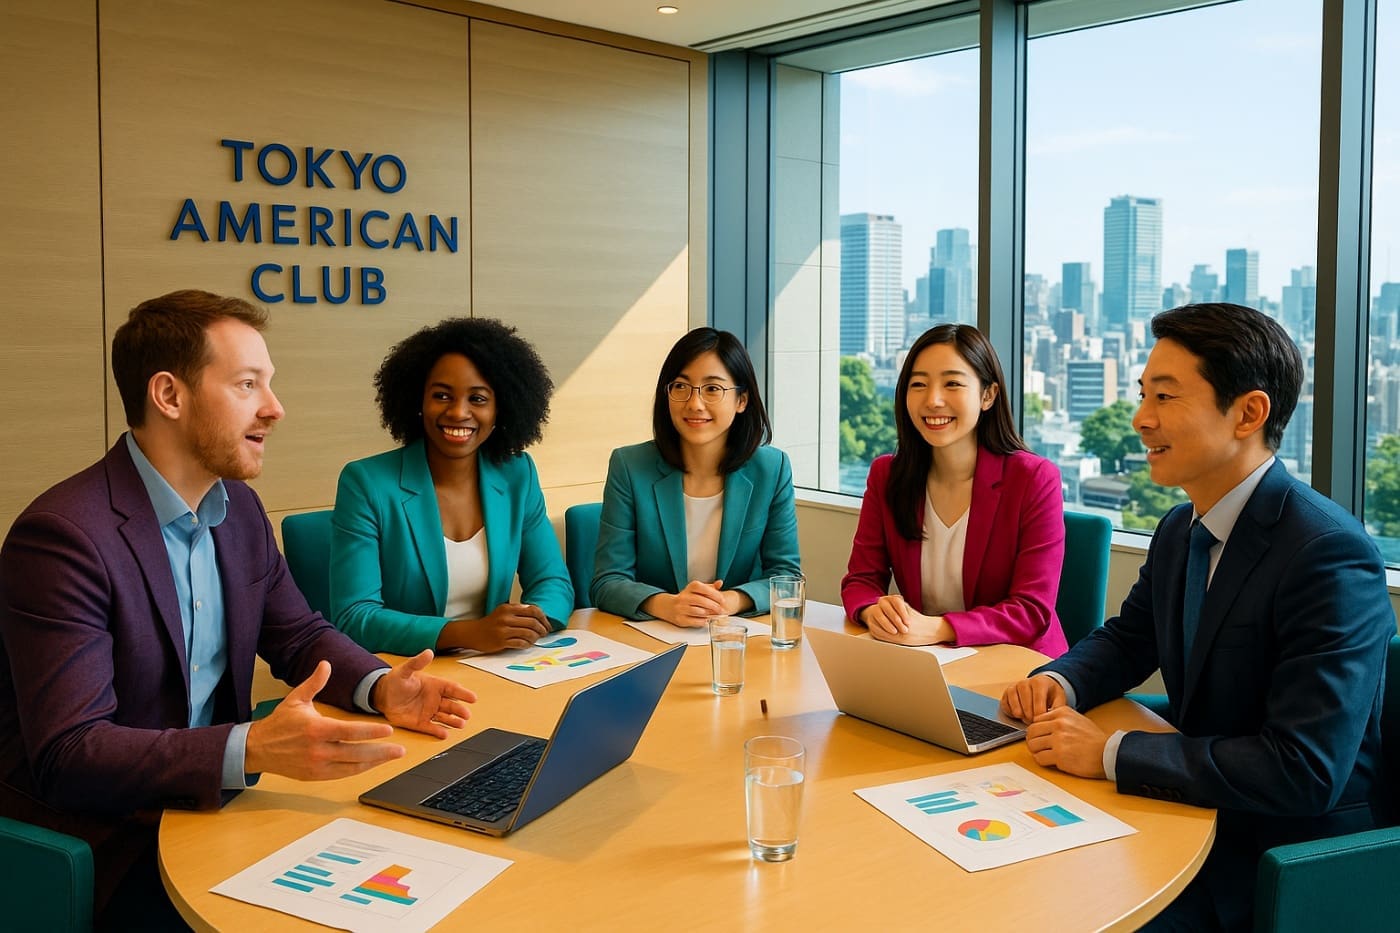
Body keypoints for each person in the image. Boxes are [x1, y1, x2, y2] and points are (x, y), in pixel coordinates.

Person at [0, 290, 477, 928]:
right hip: (106, 845)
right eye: (247, 384)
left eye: (268, 384)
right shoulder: (63, 538)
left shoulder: (240, 510)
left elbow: (297, 633)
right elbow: (72, 753)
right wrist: (249, 745)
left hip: (214, 813)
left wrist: (379, 685)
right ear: (168, 396)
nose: (274, 409)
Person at [999, 302, 1393, 931]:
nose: (1140, 418)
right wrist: (1061, 680)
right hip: (1183, 813)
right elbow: (1130, 639)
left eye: (1165, 396)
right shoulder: (1183, 527)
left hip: (1274, 862)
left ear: (1249, 413)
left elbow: (1304, 770)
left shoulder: (1327, 554)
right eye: (1141, 393)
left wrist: (1111, 752)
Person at [331, 317, 572, 656]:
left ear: (501, 407)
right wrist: (470, 633)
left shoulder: (518, 474)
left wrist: (529, 622)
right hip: (407, 673)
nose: (458, 412)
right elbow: (355, 617)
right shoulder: (367, 483)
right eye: (442, 395)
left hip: (495, 666)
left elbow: (553, 582)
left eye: (478, 398)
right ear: (418, 400)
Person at [842, 324, 1068, 657]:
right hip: (929, 663)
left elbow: (1031, 611)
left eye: (952, 384)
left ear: (987, 395)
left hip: (1020, 670)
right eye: (918, 384)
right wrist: (872, 610)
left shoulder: (1034, 479)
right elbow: (861, 579)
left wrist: (937, 628)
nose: (933, 400)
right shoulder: (887, 475)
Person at [591, 327, 800, 625]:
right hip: (653, 639)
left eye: (712, 389)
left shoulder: (772, 469)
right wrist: (667, 605)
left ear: (742, 400)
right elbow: (607, 581)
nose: (694, 403)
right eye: (680, 387)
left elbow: (786, 577)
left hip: (732, 637)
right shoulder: (629, 465)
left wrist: (729, 600)